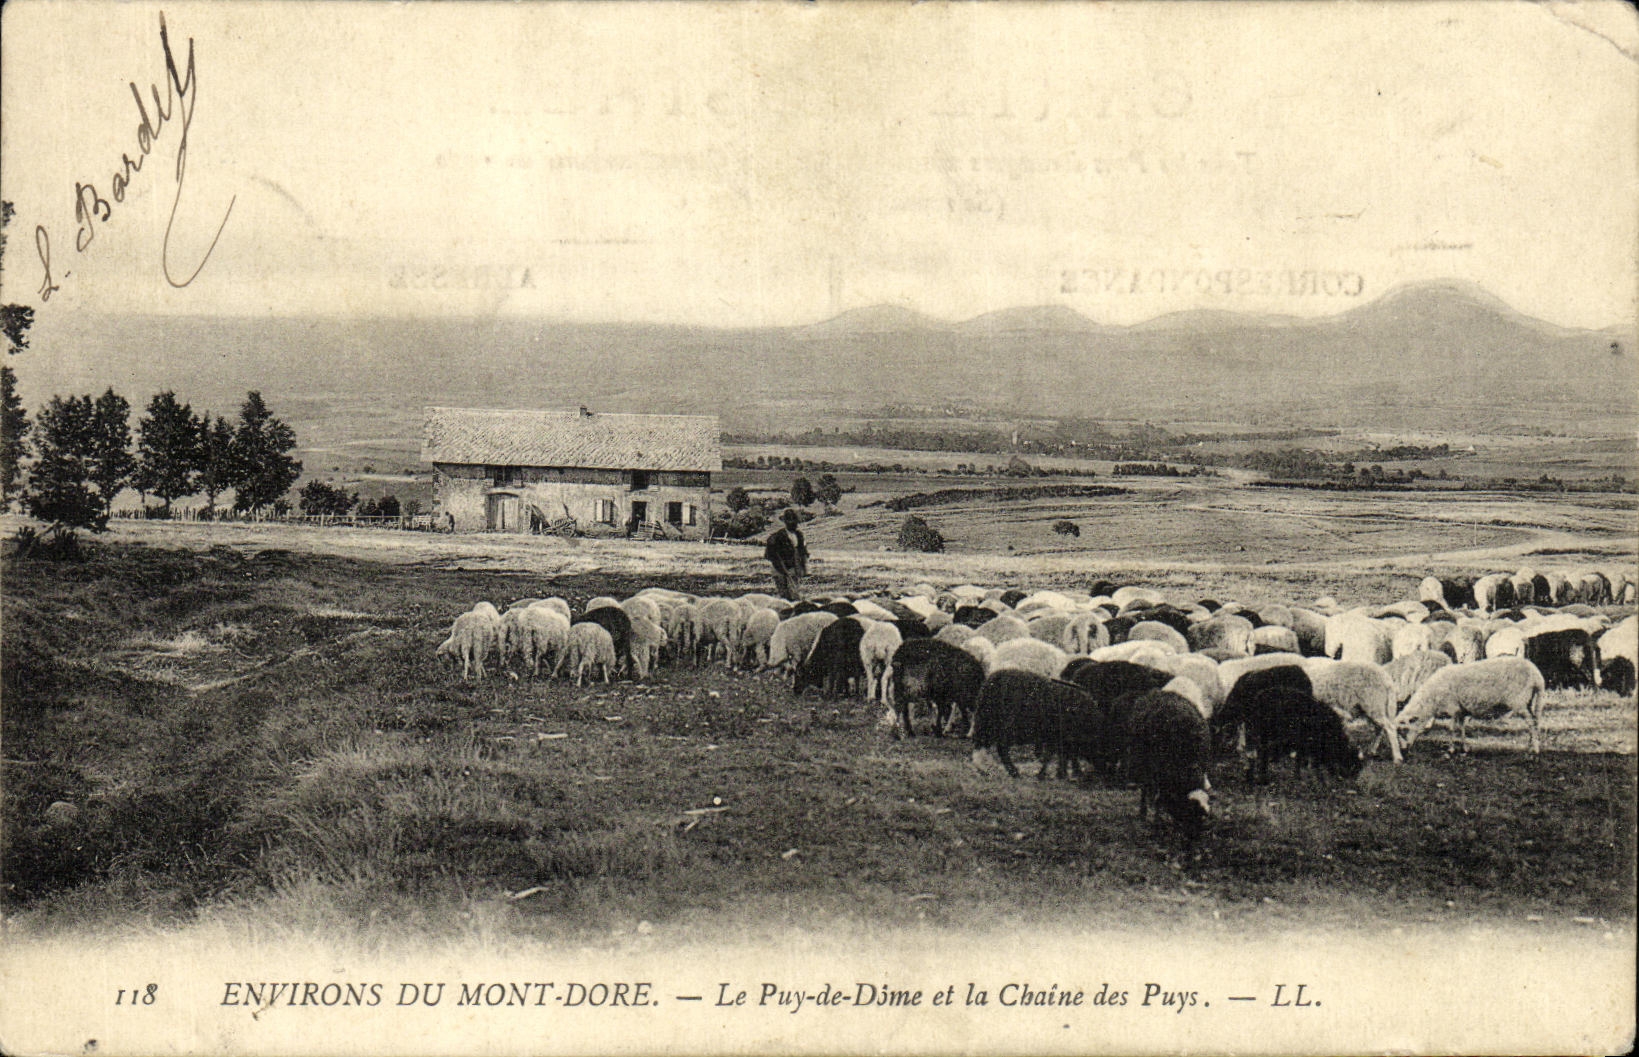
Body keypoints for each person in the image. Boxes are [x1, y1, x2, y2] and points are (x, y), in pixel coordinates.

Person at [764, 509, 809, 601]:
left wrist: (803, 567)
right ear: (785, 522)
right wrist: (783, 569)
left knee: (795, 592)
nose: (793, 523)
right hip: (780, 568)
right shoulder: (778, 536)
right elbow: (772, 555)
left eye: (794, 520)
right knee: (784, 594)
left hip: (794, 567)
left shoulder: (799, 535)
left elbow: (803, 551)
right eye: (790, 520)